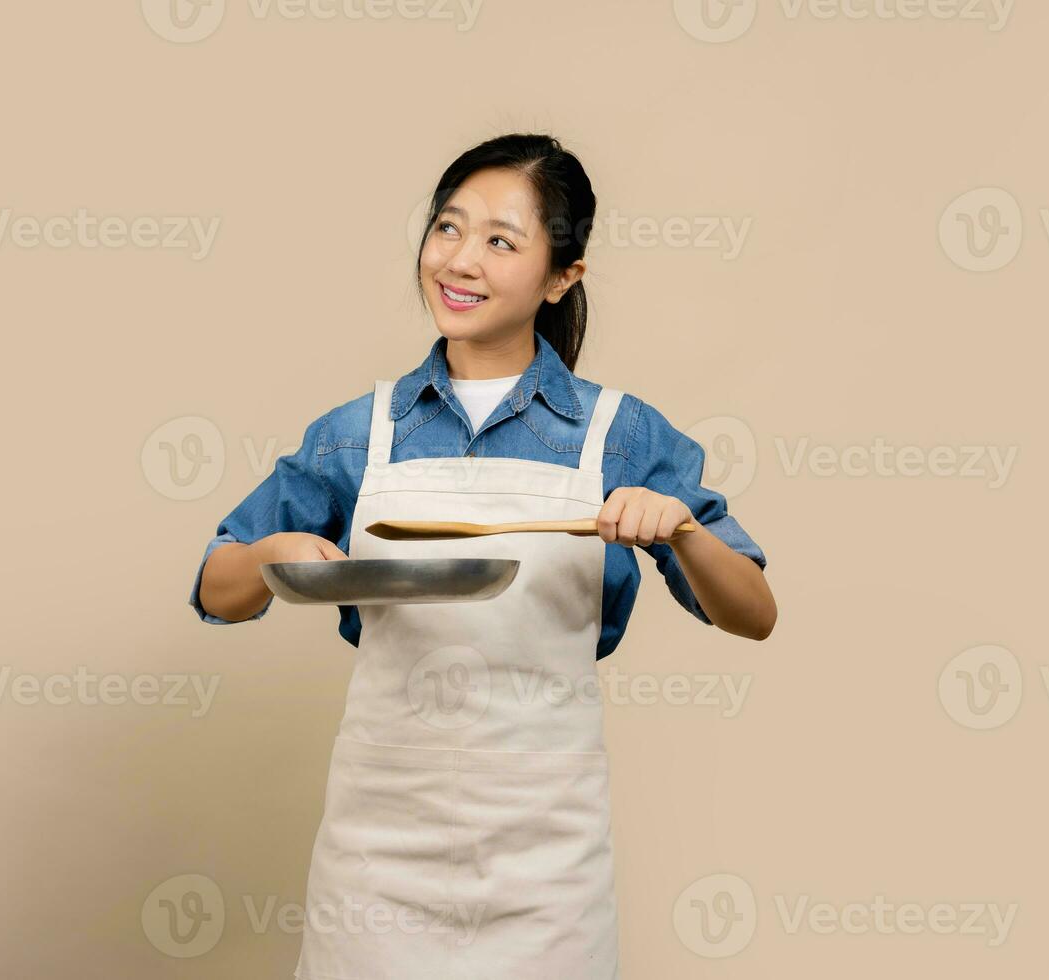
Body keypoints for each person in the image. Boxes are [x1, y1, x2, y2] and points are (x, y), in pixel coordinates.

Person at [190, 133, 776, 978]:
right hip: (378, 855)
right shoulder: (361, 433)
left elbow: (753, 612)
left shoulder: (620, 435)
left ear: (560, 277)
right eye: (447, 229)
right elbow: (219, 586)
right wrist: (274, 554)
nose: (460, 261)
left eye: (501, 241)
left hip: (546, 865)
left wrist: (681, 527)